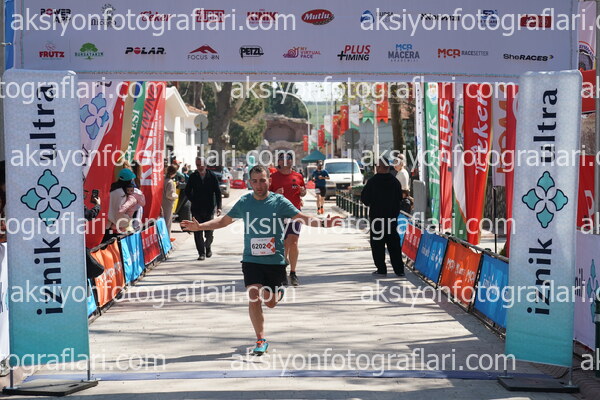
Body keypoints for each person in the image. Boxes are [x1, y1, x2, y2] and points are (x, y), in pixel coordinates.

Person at [181, 165, 342, 355]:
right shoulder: (245, 202)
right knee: (254, 296)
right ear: (250, 182)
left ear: (269, 181)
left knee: (270, 302)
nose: (259, 185)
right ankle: (260, 339)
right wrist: (200, 227)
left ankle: (278, 292)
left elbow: (301, 217)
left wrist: (323, 223)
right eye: (255, 181)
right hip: (251, 259)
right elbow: (224, 221)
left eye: (262, 180)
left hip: (275, 261)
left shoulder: (279, 202)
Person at [360, 158, 405, 278]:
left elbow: (365, 199)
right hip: (391, 219)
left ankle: (381, 269)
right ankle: (399, 270)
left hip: (377, 219)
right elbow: (400, 198)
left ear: (379, 167)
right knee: (394, 245)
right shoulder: (395, 182)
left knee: (377, 245)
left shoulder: (372, 182)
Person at [269, 151, 306, 286]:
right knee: (283, 243)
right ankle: (282, 271)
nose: (286, 160)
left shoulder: (298, 176)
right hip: (279, 214)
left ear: (292, 161)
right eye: (282, 158)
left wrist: (303, 192)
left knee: (294, 242)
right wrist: (274, 193)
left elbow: (303, 192)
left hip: (295, 213)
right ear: (278, 162)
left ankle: (293, 273)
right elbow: (265, 195)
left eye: (289, 158)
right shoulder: (272, 177)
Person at [185, 157, 222, 261]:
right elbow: (187, 191)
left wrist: (219, 207)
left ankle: (208, 246)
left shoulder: (212, 176)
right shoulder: (193, 176)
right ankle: (201, 253)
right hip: (196, 209)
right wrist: (193, 200)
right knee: (197, 231)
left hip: (209, 208)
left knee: (209, 231)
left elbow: (218, 192)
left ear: (205, 165)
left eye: (201, 165)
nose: (199, 167)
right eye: (197, 165)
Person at [162, 165, 178, 234]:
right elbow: (170, 195)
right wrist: (176, 195)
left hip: (162, 203)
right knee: (167, 223)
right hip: (168, 204)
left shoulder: (163, 180)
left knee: (163, 222)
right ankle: (167, 238)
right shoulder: (170, 182)